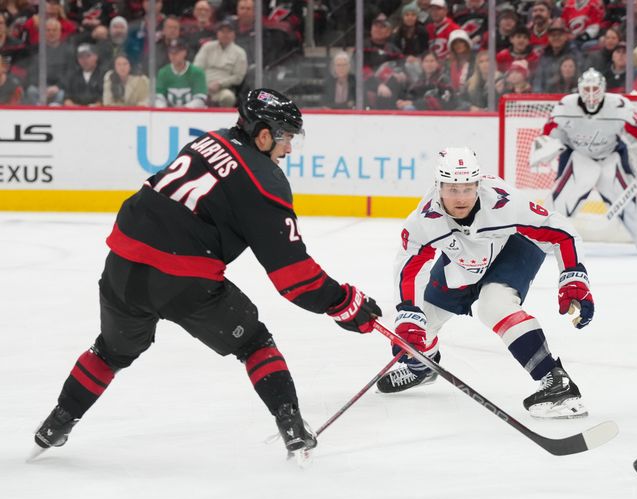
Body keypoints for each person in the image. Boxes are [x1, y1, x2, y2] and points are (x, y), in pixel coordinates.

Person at [32, 89, 382, 460]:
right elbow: (294, 278)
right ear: (263, 134)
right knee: (254, 343)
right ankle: (292, 428)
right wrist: (343, 302)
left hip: (123, 263)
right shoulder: (266, 181)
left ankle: (58, 422)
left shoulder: (210, 140)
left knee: (110, 350)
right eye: (286, 137)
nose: (289, 149)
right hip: (184, 280)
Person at [375, 146, 594, 420]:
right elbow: (409, 268)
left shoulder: (504, 203)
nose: (461, 197)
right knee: (424, 320)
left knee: (494, 305)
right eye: (453, 189)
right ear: (438, 186)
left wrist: (574, 279)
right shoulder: (424, 220)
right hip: (466, 257)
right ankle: (423, 368)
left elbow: (561, 232)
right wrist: (408, 314)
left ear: (478, 184)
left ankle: (556, 381)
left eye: (468, 188)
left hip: (515, 247)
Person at [533, 68, 637, 253]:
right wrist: (547, 149)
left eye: (595, 89)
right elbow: (550, 133)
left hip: (610, 156)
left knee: (624, 196)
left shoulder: (619, 106)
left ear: (603, 89)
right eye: (587, 89)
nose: (591, 94)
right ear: (579, 89)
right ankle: (542, 237)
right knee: (562, 198)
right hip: (579, 156)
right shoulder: (565, 106)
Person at [193, 17, 247, 107]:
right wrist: (202, 85)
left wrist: (220, 84)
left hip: (223, 89)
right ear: (217, 33)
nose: (225, 34)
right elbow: (196, 68)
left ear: (234, 34)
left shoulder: (240, 53)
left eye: (229, 31)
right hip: (202, 87)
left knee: (228, 97)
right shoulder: (207, 47)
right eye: (222, 31)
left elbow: (238, 77)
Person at [154, 38, 207, 108]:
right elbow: (159, 97)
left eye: (176, 52)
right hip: (169, 115)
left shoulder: (197, 73)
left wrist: (182, 110)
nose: (173, 56)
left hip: (193, 115)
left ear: (184, 52)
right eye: (170, 52)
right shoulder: (163, 72)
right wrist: (165, 111)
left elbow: (200, 99)